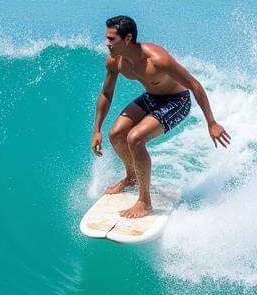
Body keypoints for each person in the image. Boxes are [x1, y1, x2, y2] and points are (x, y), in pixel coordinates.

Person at [91, 15, 230, 219]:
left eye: (112, 39)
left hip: (177, 100)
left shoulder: (157, 59)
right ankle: (132, 177)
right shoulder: (115, 61)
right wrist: (97, 130)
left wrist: (211, 122)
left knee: (135, 138)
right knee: (116, 134)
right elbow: (106, 93)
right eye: (107, 38)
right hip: (152, 97)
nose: (106, 43)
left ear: (128, 38)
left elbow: (194, 85)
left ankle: (144, 202)